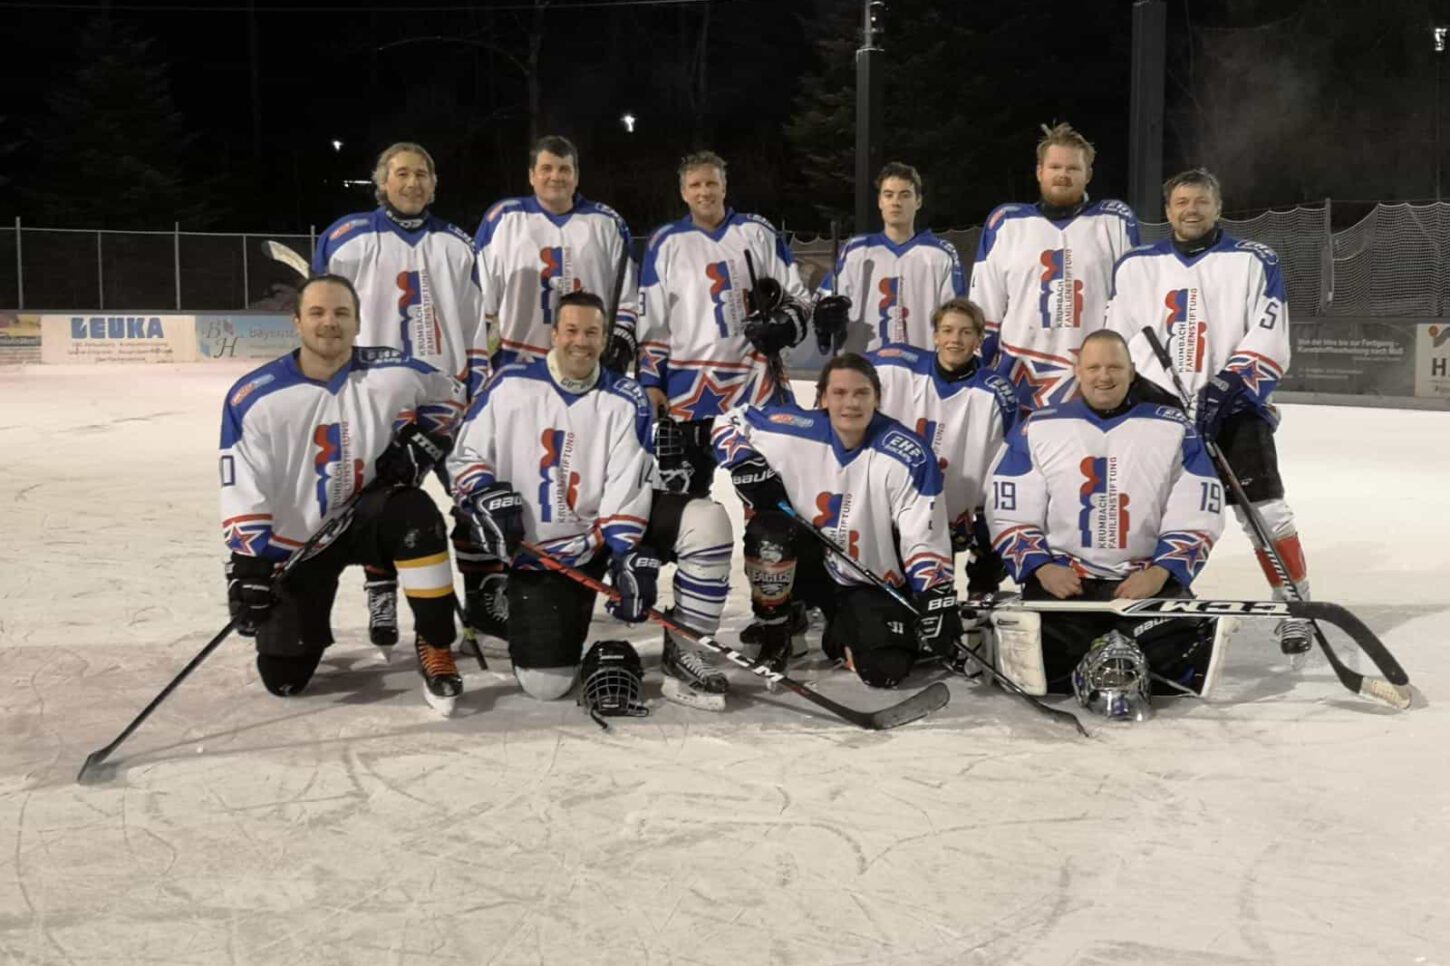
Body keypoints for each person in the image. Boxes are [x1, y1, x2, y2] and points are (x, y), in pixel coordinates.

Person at [447, 291, 730, 705]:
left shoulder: (626, 395)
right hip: (544, 552)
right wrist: (483, 491)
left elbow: (627, 480)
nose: (581, 341)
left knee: (707, 521)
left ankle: (687, 648)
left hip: (607, 527)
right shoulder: (509, 384)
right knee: (547, 685)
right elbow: (464, 456)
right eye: (572, 330)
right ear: (554, 333)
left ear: (603, 338)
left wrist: (628, 554)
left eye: (592, 332)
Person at [219, 274, 468, 715]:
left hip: (371, 514)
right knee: (284, 679)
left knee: (415, 512)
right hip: (301, 540)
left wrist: (423, 446)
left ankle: (436, 640)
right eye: (316, 312)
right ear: (296, 322)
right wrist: (249, 564)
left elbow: (455, 400)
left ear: (357, 323)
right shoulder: (255, 397)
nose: (329, 322)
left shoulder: (395, 372)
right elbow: (244, 483)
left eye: (341, 313)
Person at [1107, 168, 1313, 656]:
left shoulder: (1254, 260)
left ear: (1217, 207)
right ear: (1168, 209)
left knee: (1266, 511)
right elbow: (1120, 338)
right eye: (1181, 202)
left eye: (1201, 201)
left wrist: (1227, 385)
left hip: (1235, 407)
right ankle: (1154, 598)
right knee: (1146, 513)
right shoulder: (1137, 265)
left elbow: (1268, 332)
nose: (1191, 209)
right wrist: (1147, 394)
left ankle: (1295, 606)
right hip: (1159, 414)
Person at [985, 330, 1234, 719]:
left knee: (1179, 658)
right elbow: (1009, 508)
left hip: (1142, 584)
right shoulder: (1039, 426)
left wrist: (1160, 572)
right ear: (1077, 371)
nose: (1104, 376)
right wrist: (1041, 567)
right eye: (1094, 367)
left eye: (1115, 367)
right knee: (1037, 662)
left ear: (1132, 372)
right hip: (1067, 582)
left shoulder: (1173, 427)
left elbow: (1198, 506)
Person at [313, 141, 486, 652]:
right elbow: (325, 315)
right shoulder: (347, 237)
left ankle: (483, 596)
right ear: (381, 181)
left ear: (435, 183)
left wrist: (476, 385)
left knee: (473, 497)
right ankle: (380, 589)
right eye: (402, 174)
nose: (412, 183)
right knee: (376, 503)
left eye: (422, 175)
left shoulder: (458, 243)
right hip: (375, 398)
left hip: (448, 402)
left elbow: (477, 323)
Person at [712, 354, 962, 689]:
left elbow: (922, 535)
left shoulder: (908, 454)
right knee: (769, 534)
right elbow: (728, 421)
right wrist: (742, 462)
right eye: (840, 393)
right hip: (810, 562)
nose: (851, 403)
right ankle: (776, 632)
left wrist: (934, 593)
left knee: (884, 669)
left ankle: (842, 632)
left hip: (869, 579)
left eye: (861, 393)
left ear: (877, 398)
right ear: (823, 398)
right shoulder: (793, 429)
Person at [636, 150, 812, 498]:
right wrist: (651, 380)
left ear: (724, 186)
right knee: (684, 501)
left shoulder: (757, 232)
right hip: (688, 391)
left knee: (774, 498)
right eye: (695, 184)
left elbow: (798, 297)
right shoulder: (665, 242)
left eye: (711, 183)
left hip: (756, 383)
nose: (704, 191)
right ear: (684, 192)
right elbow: (653, 321)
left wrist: (785, 324)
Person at [969, 123, 1140, 410]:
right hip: (1018, 374)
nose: (1063, 175)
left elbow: (1132, 305)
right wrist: (976, 371)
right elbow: (983, 309)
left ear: (1088, 175)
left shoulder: (1114, 222)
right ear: (1039, 172)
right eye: (1055, 167)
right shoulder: (1006, 223)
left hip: (1092, 379)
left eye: (1073, 168)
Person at [868, 297, 1019, 601]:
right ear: (935, 335)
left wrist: (982, 519)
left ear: (978, 339)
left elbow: (1008, 464)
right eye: (948, 330)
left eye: (965, 332)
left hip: (955, 516)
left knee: (1000, 517)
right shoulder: (893, 366)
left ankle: (982, 590)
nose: (955, 339)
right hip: (896, 509)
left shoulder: (996, 391)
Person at [474, 135, 638, 372]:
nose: (556, 176)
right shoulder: (503, 220)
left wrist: (619, 344)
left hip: (587, 362)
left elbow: (627, 298)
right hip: (519, 362)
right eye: (546, 169)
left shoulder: (607, 224)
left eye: (564, 169)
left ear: (576, 176)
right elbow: (482, 301)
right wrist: (481, 362)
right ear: (531, 175)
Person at [814, 162, 966, 353]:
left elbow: (956, 318)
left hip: (920, 373)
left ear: (918, 201)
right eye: (888, 195)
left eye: (905, 195)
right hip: (862, 371)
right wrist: (825, 318)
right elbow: (822, 303)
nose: (896, 202)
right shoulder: (856, 251)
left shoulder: (940, 255)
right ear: (880, 201)